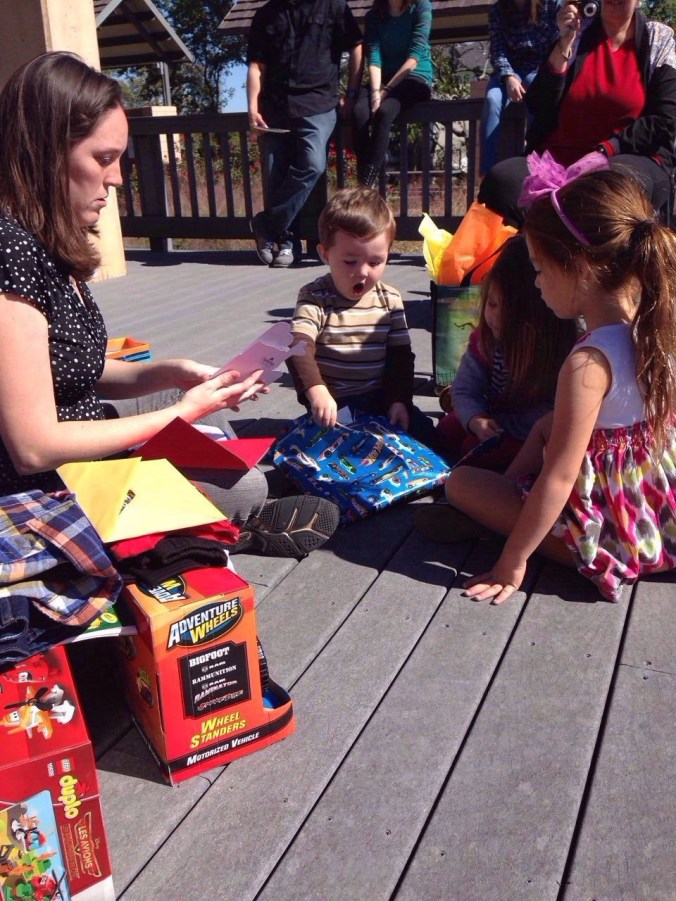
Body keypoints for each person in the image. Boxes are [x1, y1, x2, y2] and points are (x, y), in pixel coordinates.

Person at [0, 51, 339, 560]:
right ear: (46, 151)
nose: (116, 179)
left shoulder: (47, 242)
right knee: (244, 484)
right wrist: (180, 413)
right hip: (48, 476)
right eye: (103, 158)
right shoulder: (11, 253)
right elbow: (34, 447)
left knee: (213, 423)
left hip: (82, 424)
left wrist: (173, 374)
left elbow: (68, 369)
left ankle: (197, 523)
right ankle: (210, 532)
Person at [418, 157, 676, 604]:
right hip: (654, 508)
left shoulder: (587, 362)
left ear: (577, 267)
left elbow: (558, 477)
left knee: (460, 483)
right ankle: (513, 508)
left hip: (610, 531)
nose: (536, 281)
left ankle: (520, 534)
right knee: (543, 428)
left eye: (539, 267)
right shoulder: (654, 326)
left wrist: (511, 562)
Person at [478, 0, 676, 227]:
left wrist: (606, 150)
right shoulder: (580, 34)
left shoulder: (658, 39)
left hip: (627, 158)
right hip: (559, 160)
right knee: (502, 181)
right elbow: (538, 105)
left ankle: (587, 259)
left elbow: (664, 120)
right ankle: (530, 255)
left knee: (607, 188)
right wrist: (563, 43)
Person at [286, 187, 437, 446]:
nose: (363, 272)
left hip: (382, 398)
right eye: (350, 262)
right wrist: (316, 391)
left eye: (375, 262)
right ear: (325, 254)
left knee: (431, 438)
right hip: (337, 405)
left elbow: (400, 357)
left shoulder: (389, 299)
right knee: (326, 451)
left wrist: (400, 400)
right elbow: (299, 346)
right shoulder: (316, 297)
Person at [435, 235, 577, 471]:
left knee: (473, 451)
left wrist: (501, 426)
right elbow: (465, 389)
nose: (496, 317)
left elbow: (553, 414)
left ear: (540, 315)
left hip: (528, 434)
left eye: (510, 311)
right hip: (492, 419)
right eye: (491, 304)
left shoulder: (561, 352)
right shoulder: (485, 342)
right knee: (446, 431)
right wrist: (475, 419)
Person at [246, 0, 363, 268]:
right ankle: (287, 244)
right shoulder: (266, 14)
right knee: (276, 175)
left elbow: (357, 45)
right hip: (274, 108)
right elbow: (256, 66)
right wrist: (252, 109)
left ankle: (265, 224)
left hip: (318, 104)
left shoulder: (333, 6)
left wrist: (353, 92)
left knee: (313, 165)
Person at [352, 0, 434, 189]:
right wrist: (374, 93)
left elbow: (414, 56)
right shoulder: (373, 16)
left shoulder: (421, 7)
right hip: (382, 78)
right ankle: (362, 180)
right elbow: (374, 57)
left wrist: (386, 92)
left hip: (415, 76)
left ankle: (366, 184)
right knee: (359, 112)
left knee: (385, 112)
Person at [479, 0, 559, 176]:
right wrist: (509, 76)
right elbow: (498, 49)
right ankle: (486, 174)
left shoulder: (550, 5)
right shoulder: (497, 10)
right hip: (508, 70)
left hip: (539, 68)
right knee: (493, 100)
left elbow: (561, 41)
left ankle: (536, 169)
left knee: (537, 98)